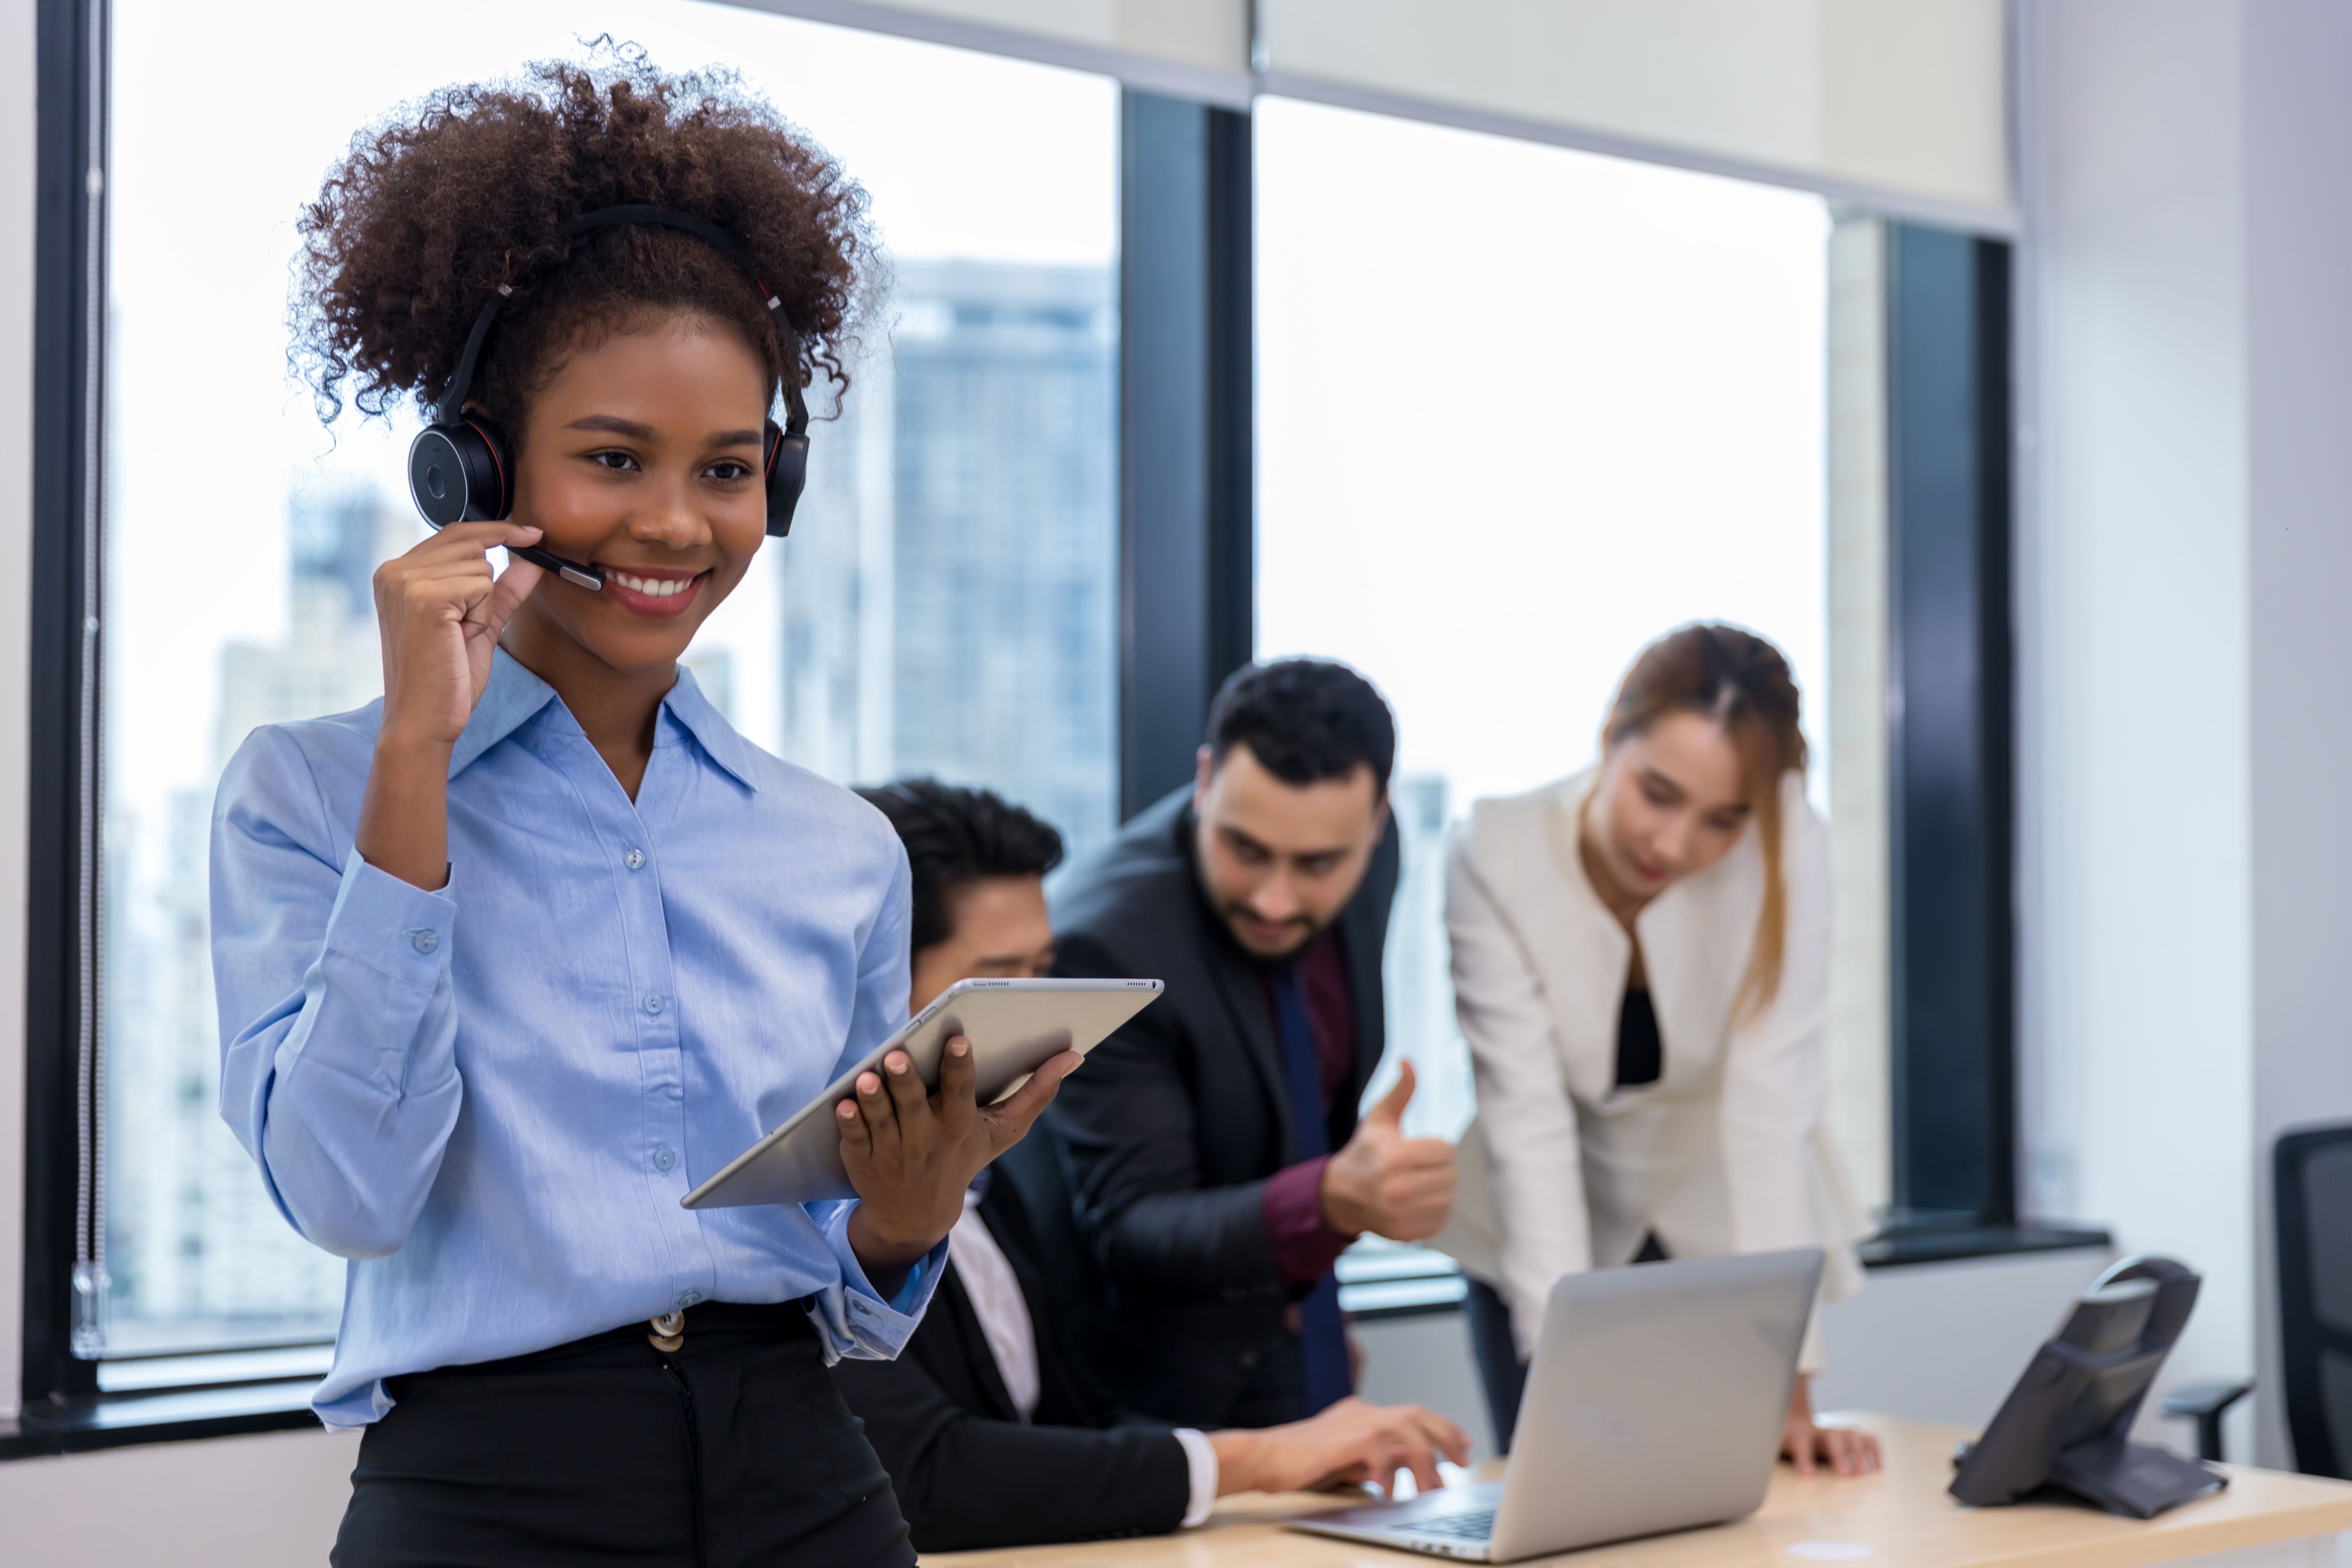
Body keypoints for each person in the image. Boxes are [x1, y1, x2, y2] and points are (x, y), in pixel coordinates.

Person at [211, 57, 1078, 1566]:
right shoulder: (307, 792)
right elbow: (351, 1193)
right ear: (476, 461)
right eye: (615, 458)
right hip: (488, 1494)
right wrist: (415, 763)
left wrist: (909, 1209)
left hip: (808, 1474)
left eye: (728, 470)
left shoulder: (838, 850)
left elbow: (855, 1294)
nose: (679, 524)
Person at [830, 779, 1471, 1551]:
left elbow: (1081, 1417)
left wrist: (1298, 1453)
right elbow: (926, 1473)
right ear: (873, 988)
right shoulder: (807, 1218)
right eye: (1000, 980)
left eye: (1043, 970)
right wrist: (1254, 1458)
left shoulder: (993, 1187)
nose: (1037, 1017)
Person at [1437, 623, 1878, 1475]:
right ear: (1610, 738)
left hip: (1726, 1207)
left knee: (1737, 1497)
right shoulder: (1495, 852)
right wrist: (1562, 1382)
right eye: (1657, 793)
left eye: (1723, 819)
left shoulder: (1791, 847)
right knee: (1562, 1486)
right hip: (1538, 1212)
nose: (1676, 846)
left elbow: (1768, 1116)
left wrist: (1788, 1386)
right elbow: (1528, 1125)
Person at [1048, 660, 1458, 1429]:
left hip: (1288, 1304)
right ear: (1204, 782)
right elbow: (1132, 1227)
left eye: (1317, 866)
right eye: (1245, 848)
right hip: (1151, 1378)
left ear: (1377, 820)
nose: (1276, 899)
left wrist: (1312, 1287)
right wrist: (1329, 1202)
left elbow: (1305, 1089)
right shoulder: (1106, 946)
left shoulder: (1377, 850)